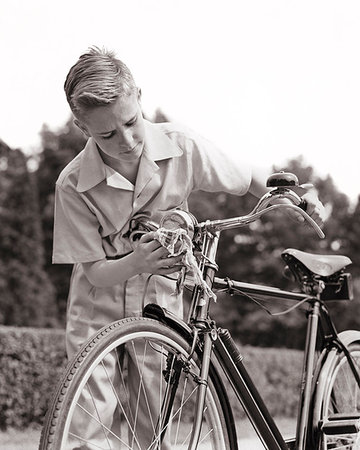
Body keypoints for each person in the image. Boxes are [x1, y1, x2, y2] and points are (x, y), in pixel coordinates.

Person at [53, 46, 325, 448]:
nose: (126, 140)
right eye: (107, 134)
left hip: (159, 307)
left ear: (139, 98)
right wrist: (138, 260)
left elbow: (249, 177)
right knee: (88, 423)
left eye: (131, 123)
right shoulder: (72, 184)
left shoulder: (181, 146)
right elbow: (94, 271)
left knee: (153, 422)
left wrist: (293, 195)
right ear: (82, 127)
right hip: (98, 308)